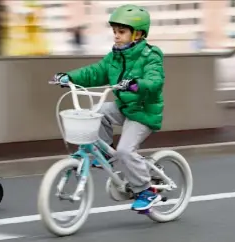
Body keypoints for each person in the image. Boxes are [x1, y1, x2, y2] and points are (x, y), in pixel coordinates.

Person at [53, 4, 165, 211]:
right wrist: (69, 77)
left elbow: (155, 81)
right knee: (99, 111)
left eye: (121, 32)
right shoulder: (115, 56)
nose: (116, 36)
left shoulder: (151, 55)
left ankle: (146, 191)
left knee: (124, 150)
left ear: (138, 34)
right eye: (114, 31)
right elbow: (95, 72)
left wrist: (136, 84)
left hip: (143, 112)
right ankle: (103, 155)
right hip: (124, 107)